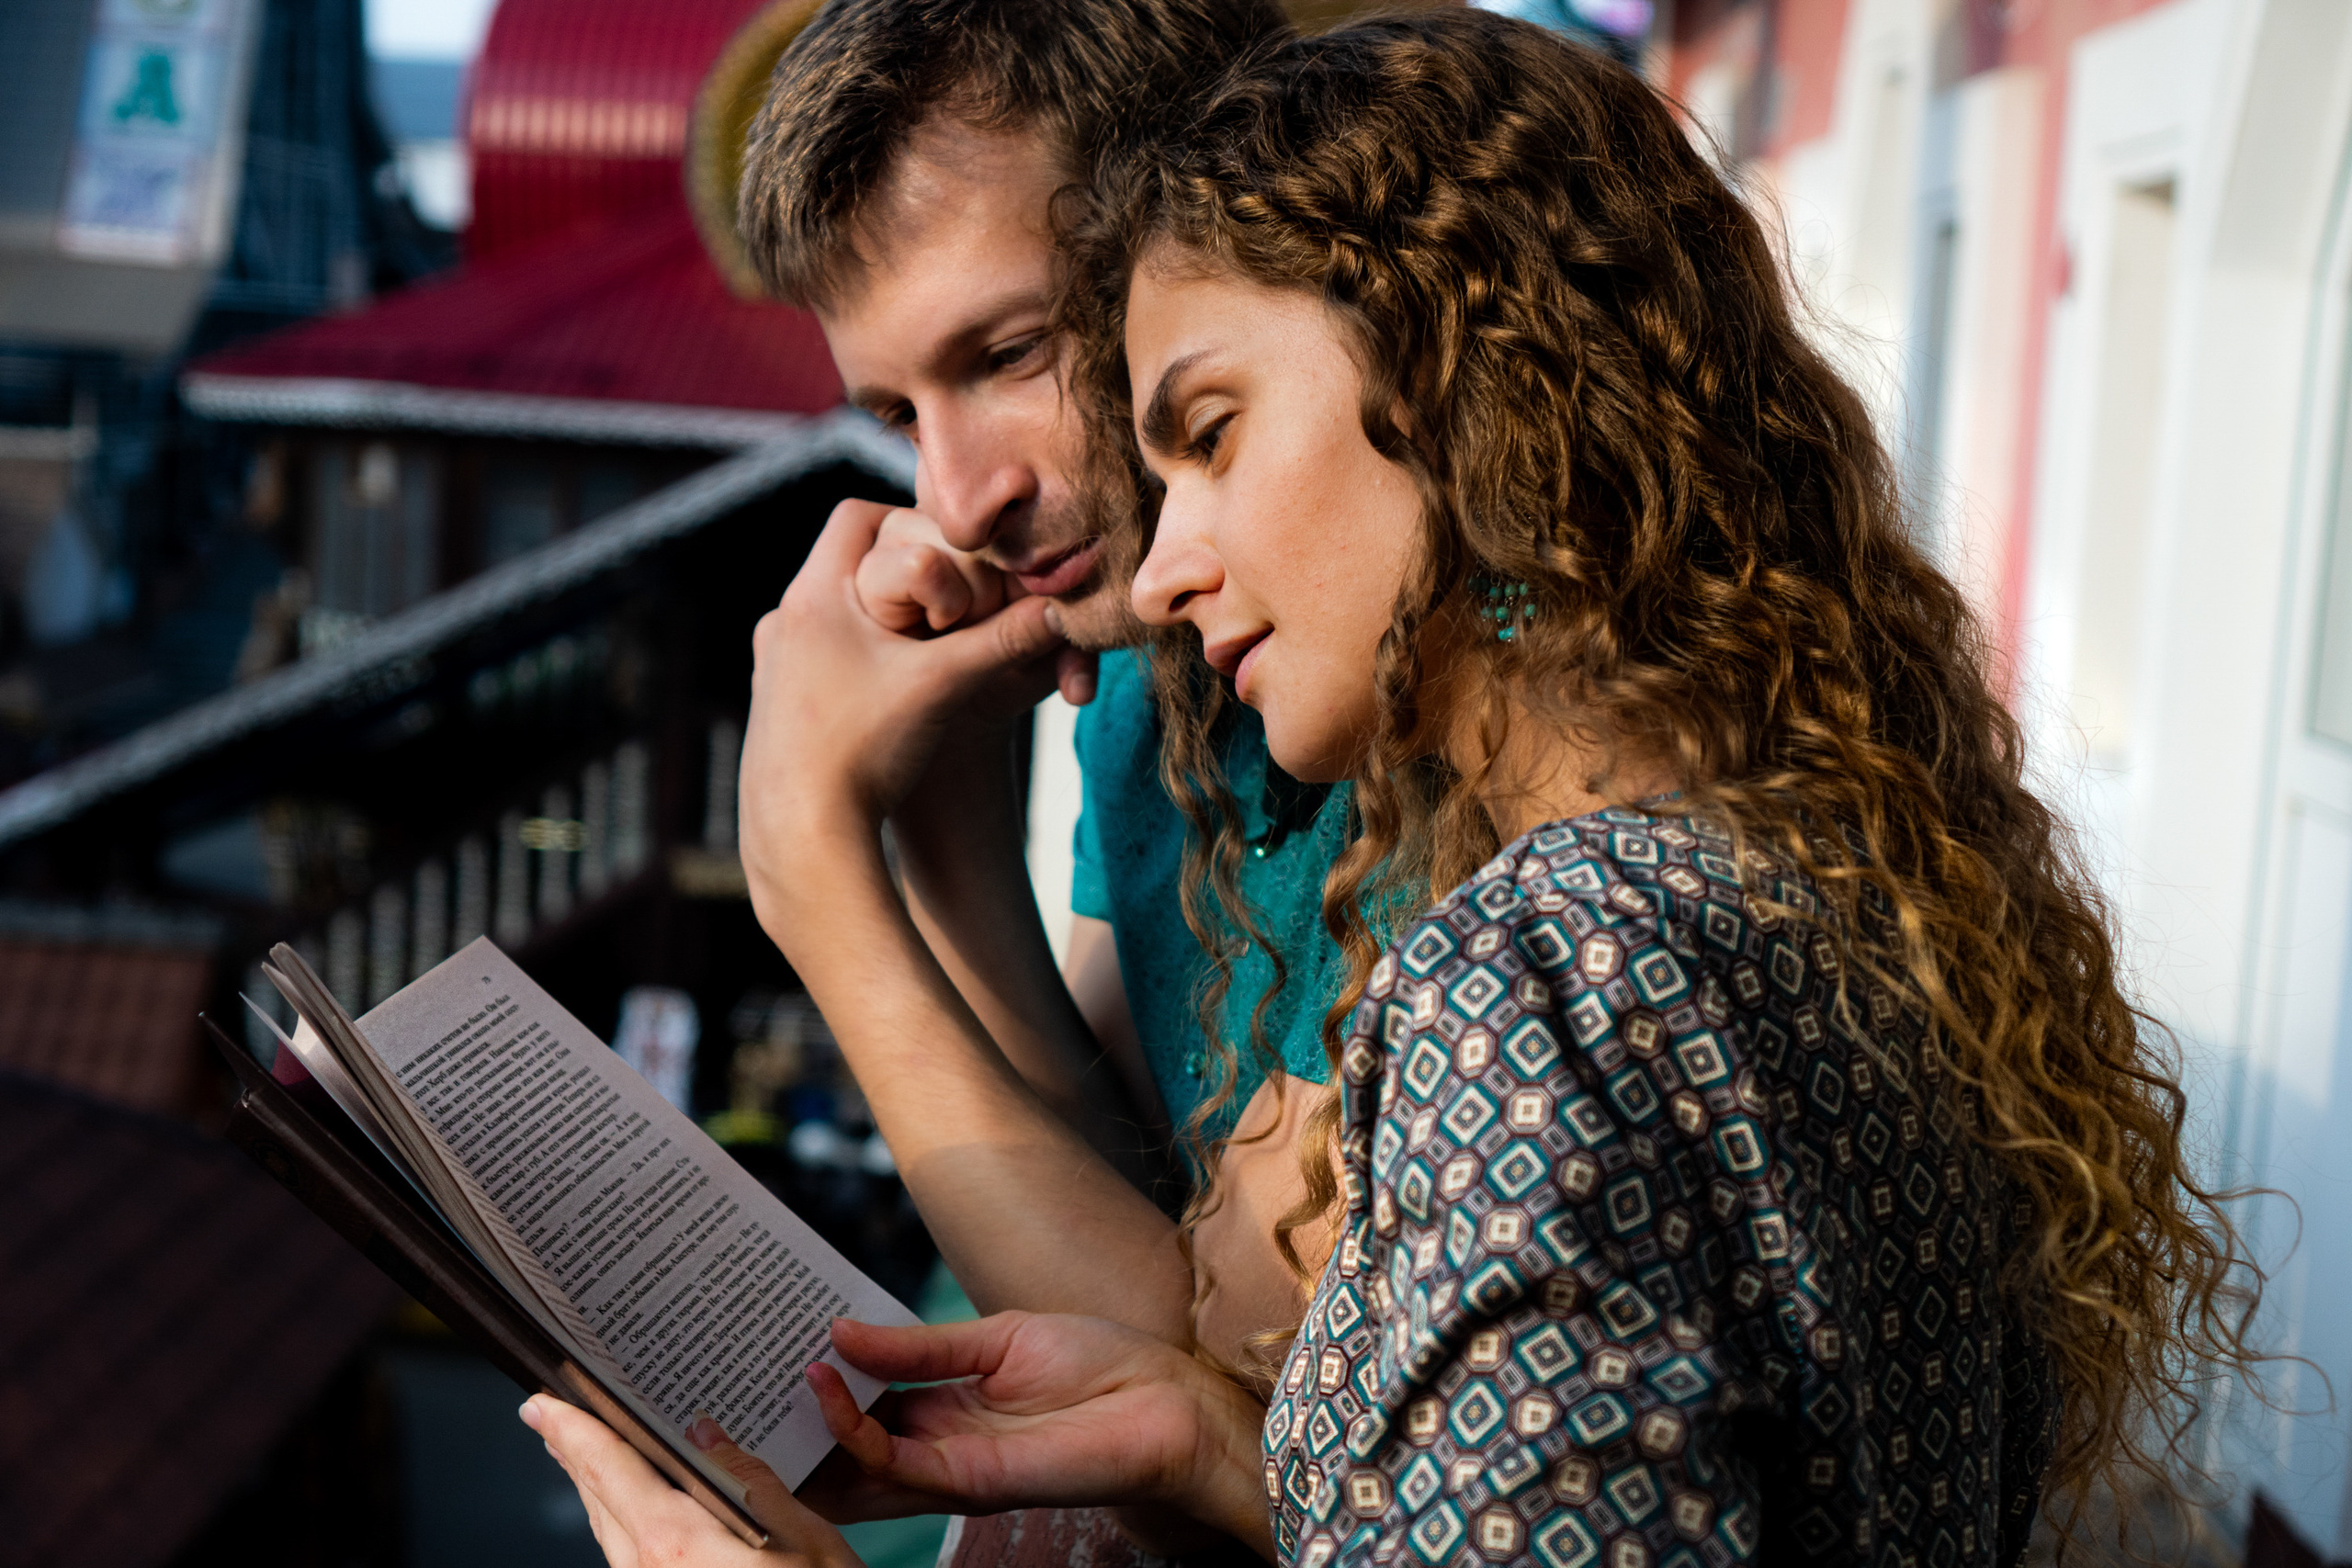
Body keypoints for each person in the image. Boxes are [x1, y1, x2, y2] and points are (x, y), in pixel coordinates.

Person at [537, 11, 2261, 1566]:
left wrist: (811, 876)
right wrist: (946, 836)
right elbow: (1405, 1439)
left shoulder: (1540, 965)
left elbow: (1282, 1343)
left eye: (1190, 420)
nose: (965, 491)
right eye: (898, 408)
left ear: (1455, 378)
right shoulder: (1734, 875)